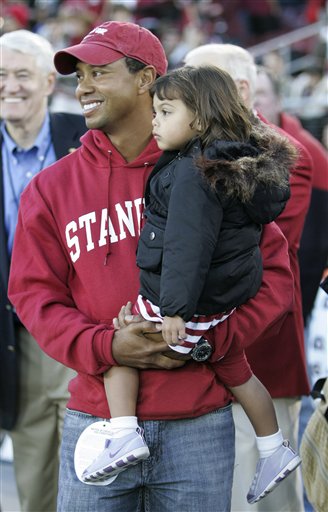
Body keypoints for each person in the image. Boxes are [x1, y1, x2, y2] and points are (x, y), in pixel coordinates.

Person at [8, 21, 295, 512]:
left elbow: (276, 275)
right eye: (78, 76)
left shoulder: (212, 170)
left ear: (147, 80)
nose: (84, 87)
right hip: (98, 420)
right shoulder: (52, 186)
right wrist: (107, 344)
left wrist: (209, 341)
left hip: (198, 424)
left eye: (99, 72)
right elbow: (34, 295)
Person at [81, 64, 301, 504]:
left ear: (198, 119)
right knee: (238, 369)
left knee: (118, 342)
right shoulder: (238, 161)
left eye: (164, 112)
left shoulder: (190, 171)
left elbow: (186, 244)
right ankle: (273, 446)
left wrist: (174, 309)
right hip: (221, 306)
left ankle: (123, 432)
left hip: (185, 306)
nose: (155, 121)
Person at [184, 43, 313, 512]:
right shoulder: (188, 149)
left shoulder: (286, 154)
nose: (188, 93)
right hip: (206, 352)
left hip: (262, 351)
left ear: (239, 88)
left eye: (200, 81)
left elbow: (254, 257)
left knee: (268, 499)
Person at [0, 29, 87, 512]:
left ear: (49, 83)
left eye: (21, 75)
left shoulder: (86, 136)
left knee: (93, 474)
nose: (10, 86)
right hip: (16, 338)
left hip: (80, 326)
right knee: (33, 482)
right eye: (0, 75)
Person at [255, 65, 328, 326]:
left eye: (261, 93)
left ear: (279, 100)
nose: (254, 101)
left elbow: (311, 248)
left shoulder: (303, 152)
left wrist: (302, 310)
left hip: (291, 298)